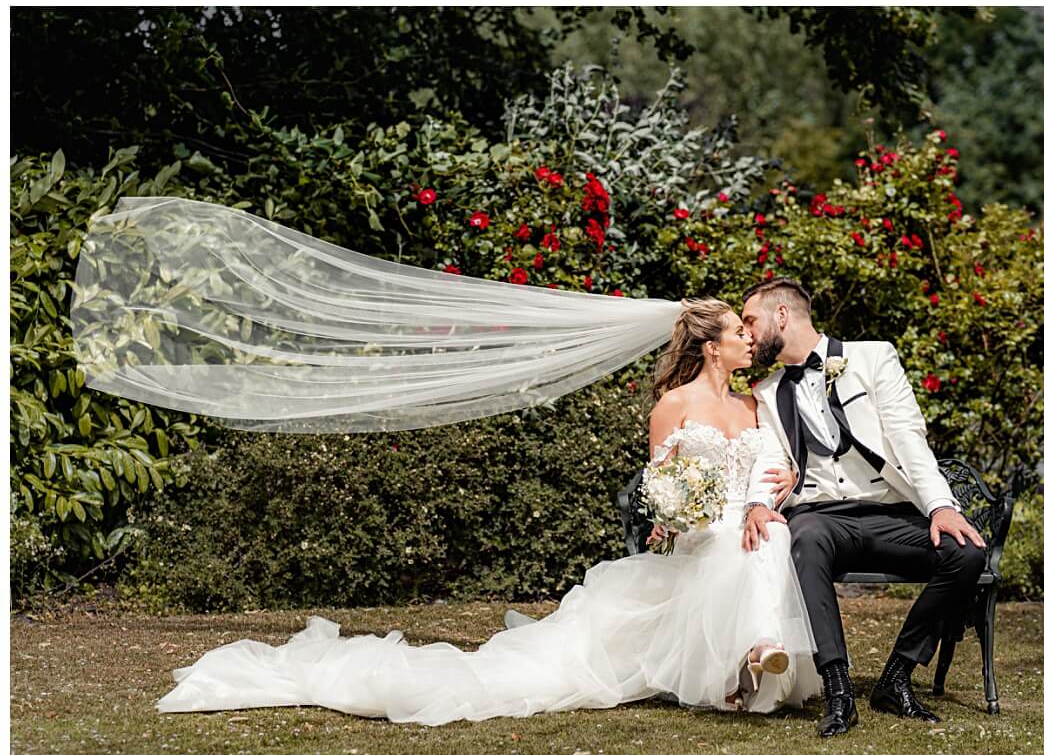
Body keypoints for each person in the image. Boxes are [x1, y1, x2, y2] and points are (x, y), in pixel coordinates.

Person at [156, 300, 822, 725]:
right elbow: (665, 486)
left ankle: (753, 657)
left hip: (750, 521)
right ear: (711, 346)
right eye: (739, 331)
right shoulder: (671, 408)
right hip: (702, 538)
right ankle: (752, 657)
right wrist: (679, 517)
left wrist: (781, 483)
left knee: (764, 535)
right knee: (748, 544)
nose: (748, 339)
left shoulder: (755, 403)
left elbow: (781, 464)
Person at [739, 278, 986, 737]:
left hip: (889, 513)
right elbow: (771, 456)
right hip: (824, 519)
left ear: (781, 315)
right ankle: (837, 690)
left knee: (966, 553)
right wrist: (757, 502)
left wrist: (939, 508)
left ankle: (897, 677)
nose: (747, 333)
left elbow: (909, 438)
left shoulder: (873, 357)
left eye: (751, 320)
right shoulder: (768, 391)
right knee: (805, 537)